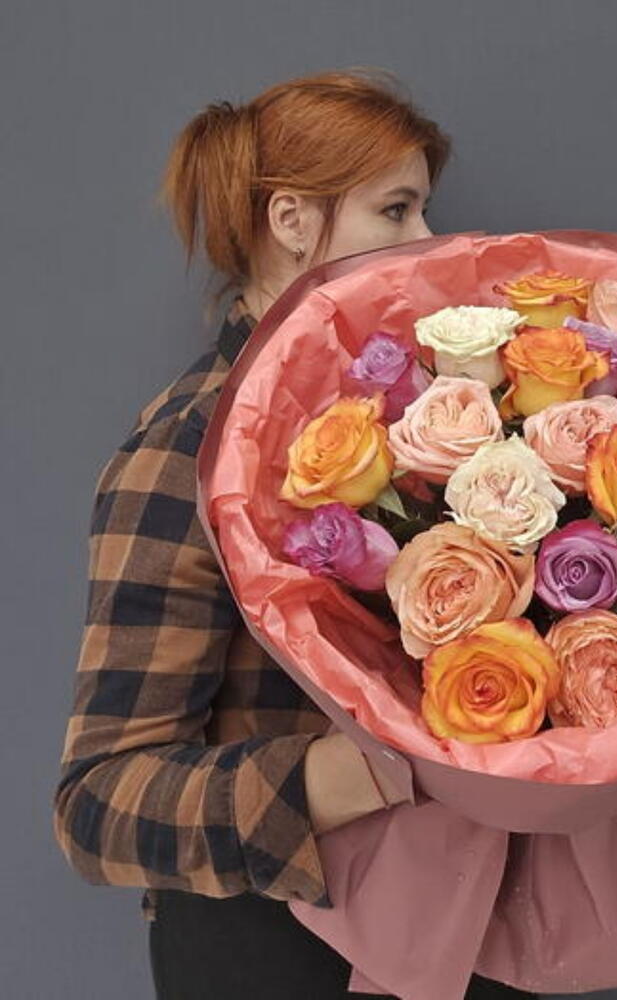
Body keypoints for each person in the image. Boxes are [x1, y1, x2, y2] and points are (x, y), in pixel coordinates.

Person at [52, 68, 538, 1000]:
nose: (429, 240)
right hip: (277, 951)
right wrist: (344, 775)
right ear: (291, 221)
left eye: (423, 208)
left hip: (467, 921)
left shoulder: (428, 415)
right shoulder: (186, 449)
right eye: (395, 210)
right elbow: (98, 804)